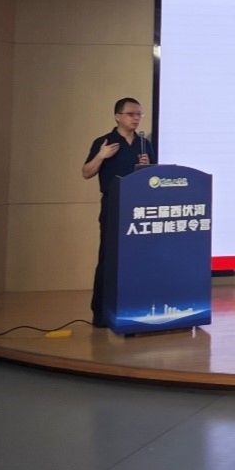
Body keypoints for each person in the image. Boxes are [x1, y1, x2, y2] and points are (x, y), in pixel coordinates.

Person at [82, 96, 155, 325]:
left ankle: (134, 308)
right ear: (117, 116)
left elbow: (153, 179)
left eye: (139, 114)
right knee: (109, 258)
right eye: (131, 114)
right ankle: (101, 313)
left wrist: (148, 167)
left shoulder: (144, 144)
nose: (136, 118)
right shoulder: (104, 141)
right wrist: (101, 156)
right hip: (114, 206)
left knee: (138, 259)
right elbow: (86, 172)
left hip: (139, 208)